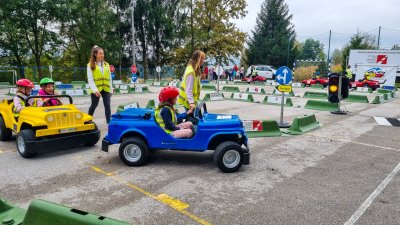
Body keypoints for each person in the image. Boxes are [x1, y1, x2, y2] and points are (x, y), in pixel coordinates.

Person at [87, 45, 113, 124]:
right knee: (94, 105)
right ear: (95, 54)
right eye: (100, 53)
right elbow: (90, 80)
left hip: (106, 89)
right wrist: (95, 91)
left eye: (103, 53)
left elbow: (109, 78)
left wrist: (111, 89)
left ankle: (109, 123)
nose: (102, 55)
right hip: (96, 89)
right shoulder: (90, 65)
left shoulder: (106, 64)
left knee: (107, 105)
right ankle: (88, 119)